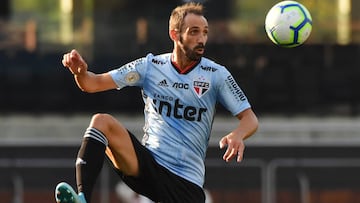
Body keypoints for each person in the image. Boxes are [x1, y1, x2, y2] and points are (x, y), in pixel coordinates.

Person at [55, 2, 258, 203]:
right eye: (194, 32)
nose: (201, 39)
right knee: (101, 122)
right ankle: (82, 198)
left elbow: (250, 119)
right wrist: (79, 73)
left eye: (205, 32)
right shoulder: (150, 66)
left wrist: (238, 134)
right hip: (149, 166)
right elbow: (93, 83)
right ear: (175, 35)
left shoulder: (216, 74)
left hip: (186, 183)